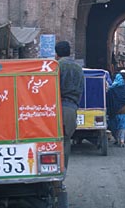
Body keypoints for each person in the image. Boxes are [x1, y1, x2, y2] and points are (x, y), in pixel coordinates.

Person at [55, 41, 84, 169]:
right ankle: (61, 174)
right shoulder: (78, 68)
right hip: (71, 108)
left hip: (55, 107)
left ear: (56, 54)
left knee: (53, 140)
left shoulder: (56, 66)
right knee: (66, 140)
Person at [106, 73, 125, 147]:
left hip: (114, 111)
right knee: (122, 126)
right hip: (124, 110)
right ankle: (122, 140)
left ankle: (117, 139)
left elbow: (108, 100)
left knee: (114, 126)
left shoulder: (112, 89)